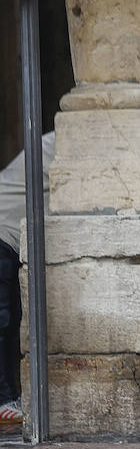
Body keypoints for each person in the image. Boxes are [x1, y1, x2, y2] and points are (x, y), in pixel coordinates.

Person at [0, 132, 55, 424]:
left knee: (10, 323)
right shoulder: (67, 144)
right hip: (3, 234)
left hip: (7, 236)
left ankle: (8, 396)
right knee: (3, 321)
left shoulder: (50, 142)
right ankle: (3, 398)